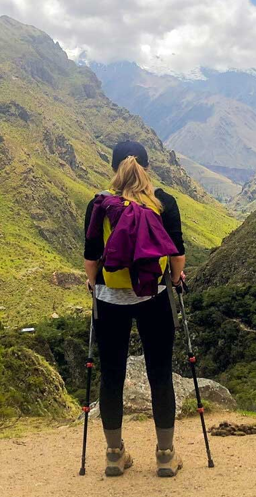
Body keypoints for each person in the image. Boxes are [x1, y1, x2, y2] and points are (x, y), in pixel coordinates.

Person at [83, 140, 186, 478]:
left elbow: (90, 254)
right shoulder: (163, 202)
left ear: (115, 168)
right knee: (160, 374)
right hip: (154, 297)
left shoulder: (100, 203)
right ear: (147, 166)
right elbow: (177, 253)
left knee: (111, 375)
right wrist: (174, 277)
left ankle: (114, 454)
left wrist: (93, 282)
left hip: (110, 299)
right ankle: (166, 455)